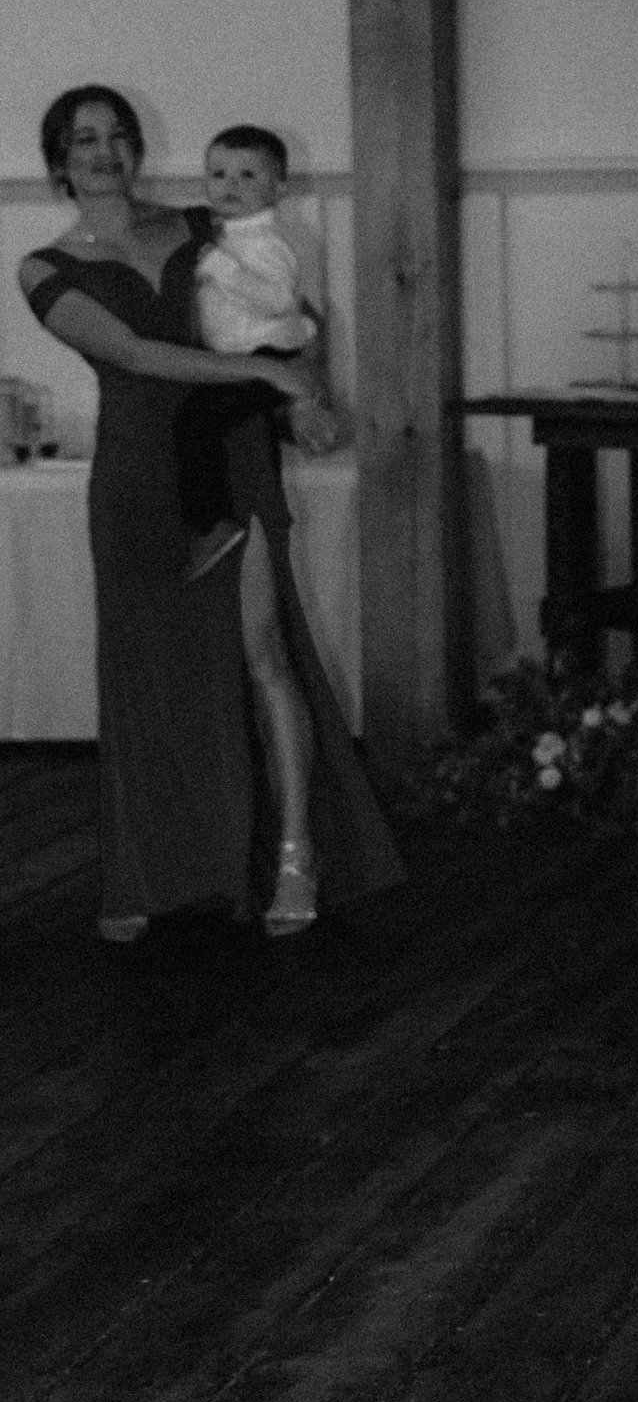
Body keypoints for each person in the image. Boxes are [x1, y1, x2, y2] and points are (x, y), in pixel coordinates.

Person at [18, 88, 403, 943]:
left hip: (231, 460)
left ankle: (295, 856)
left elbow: (294, 310)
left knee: (261, 651)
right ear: (58, 161)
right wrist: (271, 381)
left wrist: (306, 395)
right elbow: (134, 353)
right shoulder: (44, 267)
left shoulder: (203, 223)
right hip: (134, 478)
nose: (107, 150)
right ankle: (146, 872)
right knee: (144, 671)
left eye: (119, 134)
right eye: (86, 139)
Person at [175, 122, 321, 586]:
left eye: (247, 176)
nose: (229, 185)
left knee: (197, 420)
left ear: (278, 187)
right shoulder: (222, 239)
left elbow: (279, 300)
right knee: (201, 420)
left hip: (268, 358)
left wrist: (218, 267)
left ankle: (212, 524)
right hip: (235, 359)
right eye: (217, 174)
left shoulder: (268, 243)